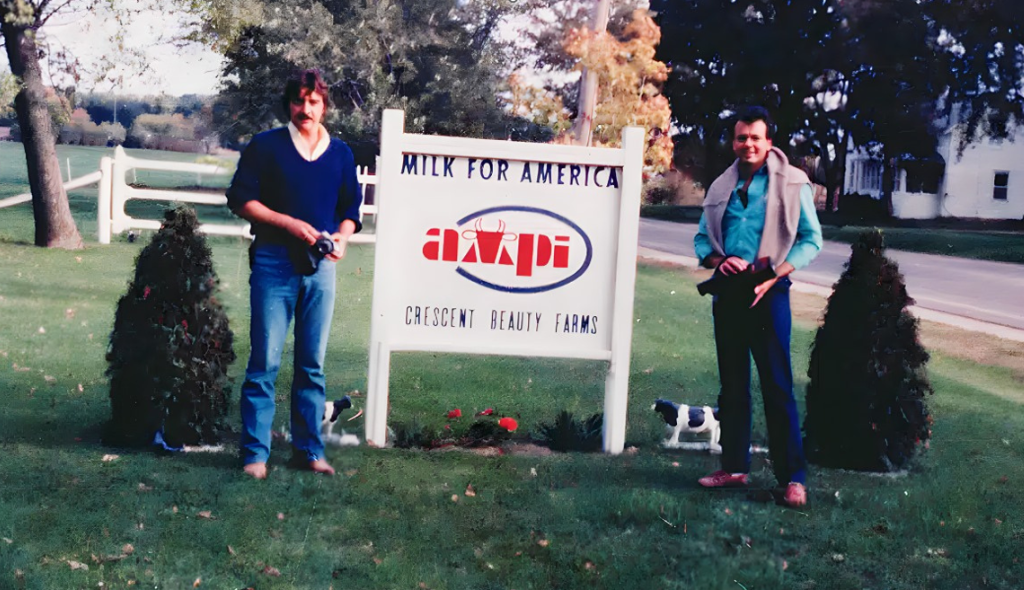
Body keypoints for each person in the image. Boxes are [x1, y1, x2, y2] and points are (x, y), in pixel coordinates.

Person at [226, 69, 363, 479]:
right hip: (273, 262)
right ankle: (255, 455)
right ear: (290, 104)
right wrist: (288, 224)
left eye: (314, 101)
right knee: (265, 361)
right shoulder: (266, 146)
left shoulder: (340, 153)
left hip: (320, 269)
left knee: (311, 364)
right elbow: (240, 199)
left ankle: (309, 450)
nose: (306, 109)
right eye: (300, 101)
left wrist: (340, 239)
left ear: (325, 106)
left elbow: (350, 212)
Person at [693, 106, 823, 507]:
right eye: (741, 138)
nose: (747, 144)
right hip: (729, 291)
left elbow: (810, 239)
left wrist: (776, 274)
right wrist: (719, 260)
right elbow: (701, 241)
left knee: (777, 385)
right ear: (734, 142)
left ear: (769, 142)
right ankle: (734, 468)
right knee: (732, 385)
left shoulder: (793, 183)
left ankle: (793, 478)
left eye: (755, 137)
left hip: (770, 292)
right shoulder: (720, 188)